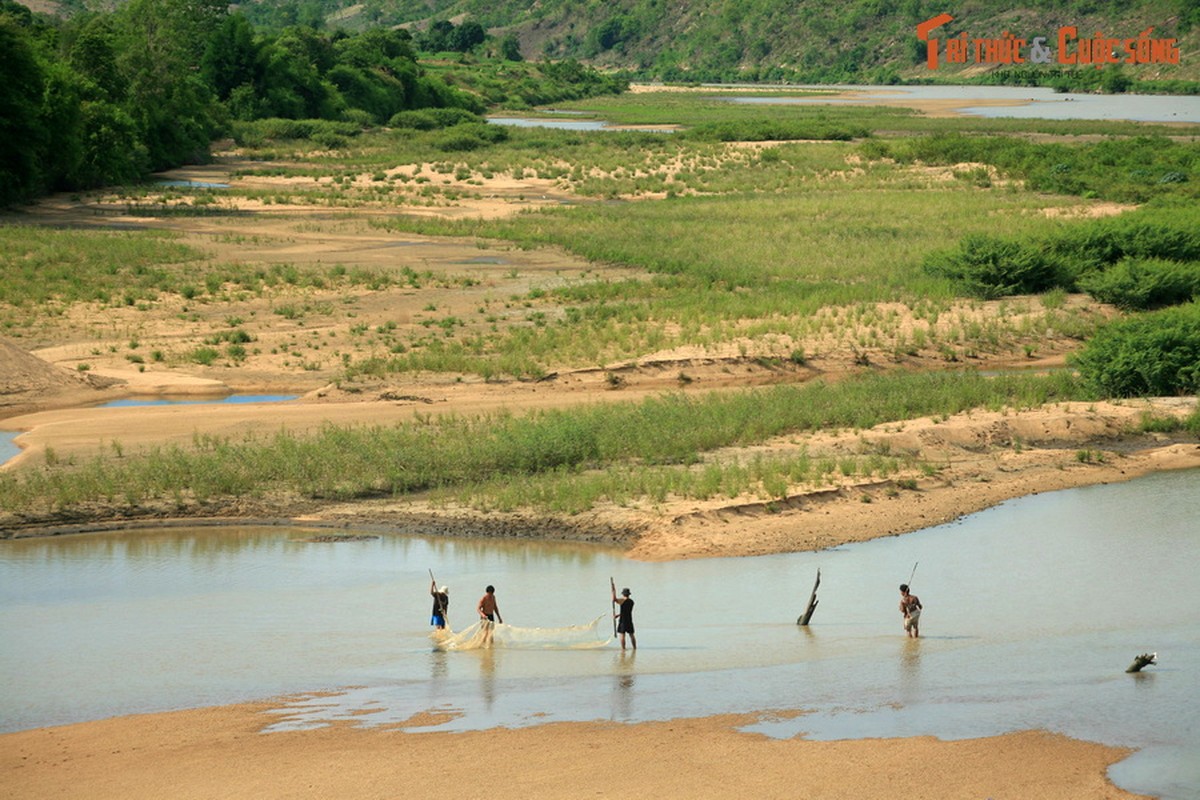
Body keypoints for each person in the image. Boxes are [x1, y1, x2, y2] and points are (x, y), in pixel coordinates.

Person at [612, 585, 636, 650]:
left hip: (623, 621)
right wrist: (618, 615)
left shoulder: (622, 600)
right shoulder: (631, 601)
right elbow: (626, 612)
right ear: (628, 594)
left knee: (622, 635)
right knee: (632, 635)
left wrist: (614, 590)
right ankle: (634, 648)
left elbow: (614, 599)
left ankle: (623, 649)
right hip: (629, 620)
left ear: (623, 594)